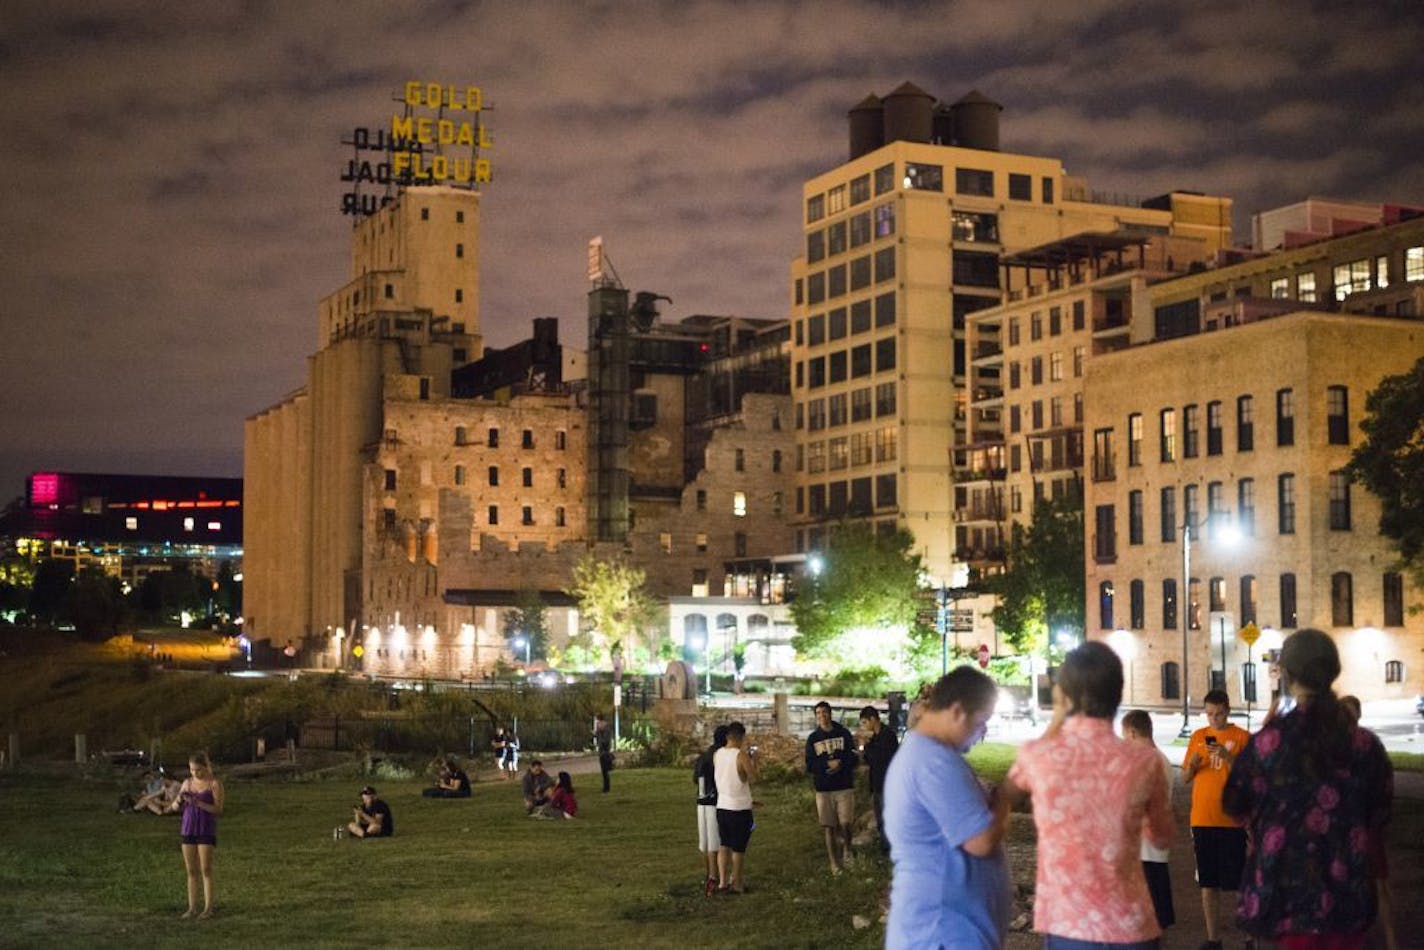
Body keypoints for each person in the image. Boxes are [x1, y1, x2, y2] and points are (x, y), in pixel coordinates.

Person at [1223, 630, 1394, 949]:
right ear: (1333, 672)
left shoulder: (1268, 744)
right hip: (1349, 893)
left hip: (1290, 895)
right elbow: (1380, 810)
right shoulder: (1364, 744)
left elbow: (1235, 803)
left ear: (1287, 674)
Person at [1001, 641, 1172, 947]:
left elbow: (1002, 801)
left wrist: (1057, 719)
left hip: (1068, 924)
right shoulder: (1145, 762)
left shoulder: (1038, 756)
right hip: (1130, 925)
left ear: (1063, 696)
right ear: (1118, 693)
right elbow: (1161, 836)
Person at [883, 667, 1011, 949]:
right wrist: (1008, 795)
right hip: (942, 933)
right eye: (980, 723)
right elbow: (981, 841)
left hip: (947, 930)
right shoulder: (933, 760)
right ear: (957, 711)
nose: (980, 733)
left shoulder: (928, 754)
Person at [1182, 688, 1251, 950]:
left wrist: (1228, 756)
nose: (1214, 719)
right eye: (1210, 714)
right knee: (1208, 883)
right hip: (1202, 818)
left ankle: (1248, 937)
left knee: (1237, 883)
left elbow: (1248, 777)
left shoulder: (1242, 737)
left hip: (1232, 820)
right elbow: (1186, 777)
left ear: (1228, 711)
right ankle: (1213, 940)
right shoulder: (1199, 737)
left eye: (1219, 714)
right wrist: (1193, 765)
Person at [1122, 709, 1175, 933]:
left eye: (1125, 736)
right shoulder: (1163, 761)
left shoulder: (1148, 762)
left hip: (1144, 849)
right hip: (1153, 848)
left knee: (1147, 914)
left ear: (1133, 733)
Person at [804, 700, 858, 873]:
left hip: (844, 786)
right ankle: (833, 863)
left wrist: (841, 763)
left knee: (846, 823)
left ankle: (847, 850)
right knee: (828, 826)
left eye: (824, 712)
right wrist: (827, 764)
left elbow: (854, 757)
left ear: (830, 713)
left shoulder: (843, 733)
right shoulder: (813, 739)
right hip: (824, 789)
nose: (821, 716)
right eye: (818, 713)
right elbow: (809, 765)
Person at [713, 720, 759, 894]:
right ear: (741, 737)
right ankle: (737, 883)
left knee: (724, 844)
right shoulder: (741, 755)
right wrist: (755, 760)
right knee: (738, 848)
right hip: (739, 808)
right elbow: (754, 778)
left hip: (722, 806)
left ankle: (723, 882)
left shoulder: (717, 754)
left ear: (727, 736)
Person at [177, 751, 224, 919]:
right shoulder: (187, 783)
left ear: (206, 767)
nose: (195, 773)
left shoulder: (214, 784)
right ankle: (191, 908)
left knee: (206, 869)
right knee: (191, 870)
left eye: (198, 770)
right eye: (191, 770)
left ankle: (208, 908)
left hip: (206, 829)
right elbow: (175, 806)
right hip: (188, 829)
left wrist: (198, 803)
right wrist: (179, 801)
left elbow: (218, 810)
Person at [859, 704, 899, 854]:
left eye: (864, 722)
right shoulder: (874, 738)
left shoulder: (888, 736)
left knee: (889, 818)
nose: (863, 726)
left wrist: (865, 747)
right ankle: (885, 848)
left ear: (873, 719)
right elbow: (868, 760)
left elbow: (880, 758)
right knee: (880, 818)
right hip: (876, 784)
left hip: (887, 784)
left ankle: (892, 848)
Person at [694, 724, 728, 896]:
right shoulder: (720, 756)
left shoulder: (702, 757)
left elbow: (695, 779)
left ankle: (708, 875)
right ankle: (714, 879)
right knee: (716, 844)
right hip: (715, 802)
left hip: (701, 803)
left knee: (705, 844)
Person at [594, 713, 614, 793]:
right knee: (604, 771)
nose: (597, 724)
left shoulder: (605, 729)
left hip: (604, 752)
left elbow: (605, 741)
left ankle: (606, 788)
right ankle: (605, 787)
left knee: (605, 770)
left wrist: (600, 734)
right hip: (602, 751)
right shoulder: (602, 730)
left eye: (598, 722)